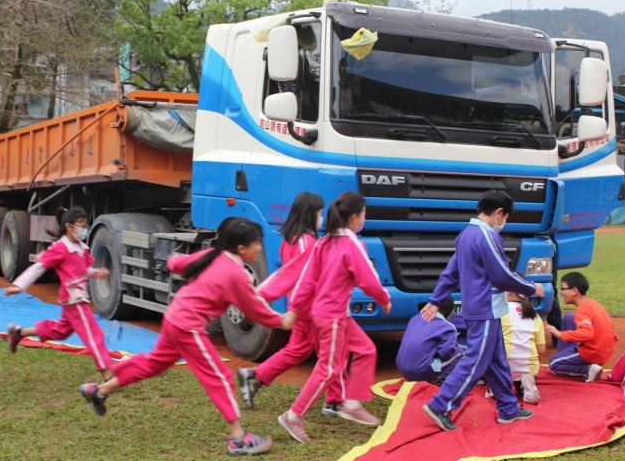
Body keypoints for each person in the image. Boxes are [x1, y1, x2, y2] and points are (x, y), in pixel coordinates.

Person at [78, 218, 296, 456]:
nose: (260, 249)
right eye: (257, 244)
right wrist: (281, 320)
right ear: (241, 248)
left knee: (154, 364)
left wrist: (179, 264)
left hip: (175, 318)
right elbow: (254, 308)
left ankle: (99, 390)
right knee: (219, 375)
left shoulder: (213, 254)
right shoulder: (236, 274)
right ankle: (239, 439)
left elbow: (176, 262)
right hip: (187, 326)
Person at [419, 190, 544, 431]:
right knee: (475, 361)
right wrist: (531, 288)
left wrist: (436, 300)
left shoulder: (466, 235)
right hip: (485, 308)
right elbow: (501, 274)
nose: (504, 224)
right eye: (505, 217)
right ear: (499, 213)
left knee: (497, 361)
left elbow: (451, 272)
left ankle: (508, 408)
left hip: (486, 309)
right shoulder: (485, 236)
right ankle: (440, 404)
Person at [277, 191, 392, 443]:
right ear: (354, 217)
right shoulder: (351, 243)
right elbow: (368, 278)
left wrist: (295, 308)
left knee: (366, 349)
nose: (364, 220)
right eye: (364, 215)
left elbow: (307, 279)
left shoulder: (324, 242)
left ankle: (351, 403)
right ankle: (293, 415)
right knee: (328, 369)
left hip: (333, 314)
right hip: (332, 316)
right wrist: (384, 299)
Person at [238, 192, 346, 417]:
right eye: (319, 213)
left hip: (301, 305)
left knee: (298, 349)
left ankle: (256, 376)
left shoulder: (290, 239)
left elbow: (288, 273)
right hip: (312, 306)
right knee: (334, 352)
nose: (321, 217)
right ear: (310, 214)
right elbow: (302, 275)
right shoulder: (307, 242)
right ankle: (335, 400)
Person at [4, 207, 113, 381]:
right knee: (93, 334)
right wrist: (19, 285)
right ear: (69, 227)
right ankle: (107, 374)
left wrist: (95, 272)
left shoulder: (79, 247)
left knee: (60, 331)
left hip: (75, 298)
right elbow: (39, 266)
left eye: (85, 224)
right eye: (81, 224)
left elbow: (81, 269)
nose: (84, 228)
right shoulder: (61, 248)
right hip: (74, 300)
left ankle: (20, 333)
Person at [547, 272, 618, 382]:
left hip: (593, 353)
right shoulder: (591, 303)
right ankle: (563, 357)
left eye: (563, 288)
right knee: (569, 318)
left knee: (553, 364)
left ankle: (588, 369)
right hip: (603, 348)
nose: (561, 293)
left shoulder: (582, 310)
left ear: (574, 291)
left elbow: (587, 333)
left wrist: (559, 334)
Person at [396, 296, 463, 385]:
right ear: (450, 312)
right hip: (419, 372)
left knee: (428, 349)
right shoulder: (447, 327)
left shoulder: (415, 318)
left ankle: (429, 374)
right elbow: (446, 353)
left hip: (402, 369)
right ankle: (439, 380)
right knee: (460, 353)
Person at [501, 292, 546, 404]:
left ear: (510, 292)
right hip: (530, 368)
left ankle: (500, 385)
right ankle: (524, 384)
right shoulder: (535, 316)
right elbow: (541, 350)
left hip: (505, 366)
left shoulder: (500, 312)